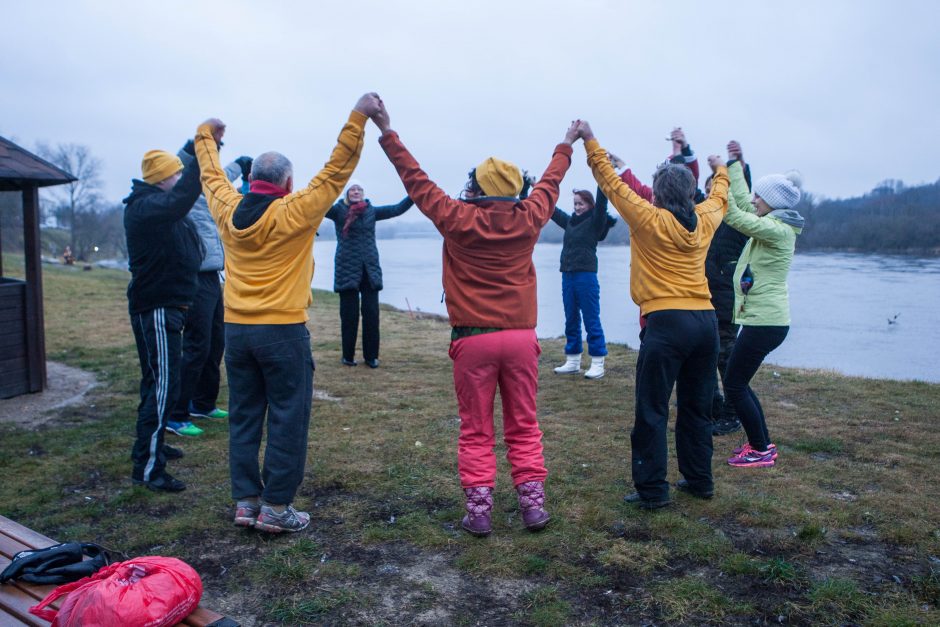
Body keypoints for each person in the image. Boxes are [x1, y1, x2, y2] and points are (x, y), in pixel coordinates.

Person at [374, 100, 576, 537]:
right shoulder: (530, 216)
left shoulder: (456, 217)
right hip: (521, 339)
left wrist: (388, 131)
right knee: (524, 424)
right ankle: (533, 508)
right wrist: (566, 143)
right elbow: (551, 183)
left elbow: (416, 180)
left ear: (477, 188)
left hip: (473, 340)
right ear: (513, 190)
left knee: (476, 429)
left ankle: (480, 512)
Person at [194, 92, 385, 533]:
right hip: (282, 331)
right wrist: (358, 117)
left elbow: (210, 178)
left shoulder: (227, 206)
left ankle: (247, 501)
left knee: (244, 414)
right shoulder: (295, 209)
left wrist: (206, 137)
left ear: (251, 179)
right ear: (287, 182)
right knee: (287, 416)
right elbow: (338, 169)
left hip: (237, 331)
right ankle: (277, 508)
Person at [576, 120, 729, 509]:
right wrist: (722, 169)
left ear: (657, 194)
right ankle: (699, 480)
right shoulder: (706, 218)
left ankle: (653, 491)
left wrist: (591, 141)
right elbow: (720, 199)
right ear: (691, 192)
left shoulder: (648, 218)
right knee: (696, 407)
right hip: (705, 323)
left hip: (667, 323)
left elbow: (611, 184)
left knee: (652, 409)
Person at [123, 141, 209, 492]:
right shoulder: (147, 207)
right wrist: (204, 157)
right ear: (162, 180)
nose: (179, 176)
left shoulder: (154, 203)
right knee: (162, 387)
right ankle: (148, 470)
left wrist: (195, 146)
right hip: (158, 307)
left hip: (170, 305)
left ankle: (150, 447)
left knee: (159, 382)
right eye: (175, 173)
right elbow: (180, 198)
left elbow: (177, 193)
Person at [719, 158, 804, 468]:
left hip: (766, 322)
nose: (754, 199)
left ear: (773, 202)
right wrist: (732, 166)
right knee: (738, 381)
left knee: (735, 383)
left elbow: (735, 215)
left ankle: (761, 449)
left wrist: (720, 182)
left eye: (759, 196)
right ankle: (762, 444)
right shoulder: (774, 222)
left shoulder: (777, 230)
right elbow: (743, 203)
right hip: (762, 320)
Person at [164, 146, 248, 438]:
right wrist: (194, 145)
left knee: (216, 341)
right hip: (194, 275)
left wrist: (242, 163)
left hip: (213, 273)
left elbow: (224, 176)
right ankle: (176, 415)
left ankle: (203, 403)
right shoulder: (186, 189)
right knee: (197, 344)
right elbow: (180, 162)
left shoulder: (211, 186)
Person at [324, 181, 412, 368]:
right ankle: (348, 356)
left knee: (371, 314)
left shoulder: (371, 211)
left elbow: (396, 209)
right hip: (347, 268)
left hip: (370, 269)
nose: (356, 191)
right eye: (352, 189)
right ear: (347, 194)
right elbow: (319, 204)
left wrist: (414, 195)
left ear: (363, 194)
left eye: (359, 189)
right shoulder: (338, 211)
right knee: (349, 316)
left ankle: (371, 357)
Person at [704, 141, 751, 436]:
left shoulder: (737, 221)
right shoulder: (705, 216)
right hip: (703, 297)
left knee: (726, 357)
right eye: (709, 188)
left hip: (726, 297)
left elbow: (743, 197)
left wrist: (738, 162)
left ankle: (733, 413)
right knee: (706, 355)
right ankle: (715, 406)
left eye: (717, 187)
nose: (712, 192)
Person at [549, 188, 616, 379]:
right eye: (575, 203)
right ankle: (573, 361)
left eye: (581, 203)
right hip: (567, 276)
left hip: (586, 276)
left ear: (589, 205)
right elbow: (551, 210)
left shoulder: (595, 221)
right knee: (571, 318)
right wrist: (540, 189)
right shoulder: (570, 221)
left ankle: (597, 363)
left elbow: (602, 204)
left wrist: (601, 176)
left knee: (591, 319)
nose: (577, 207)